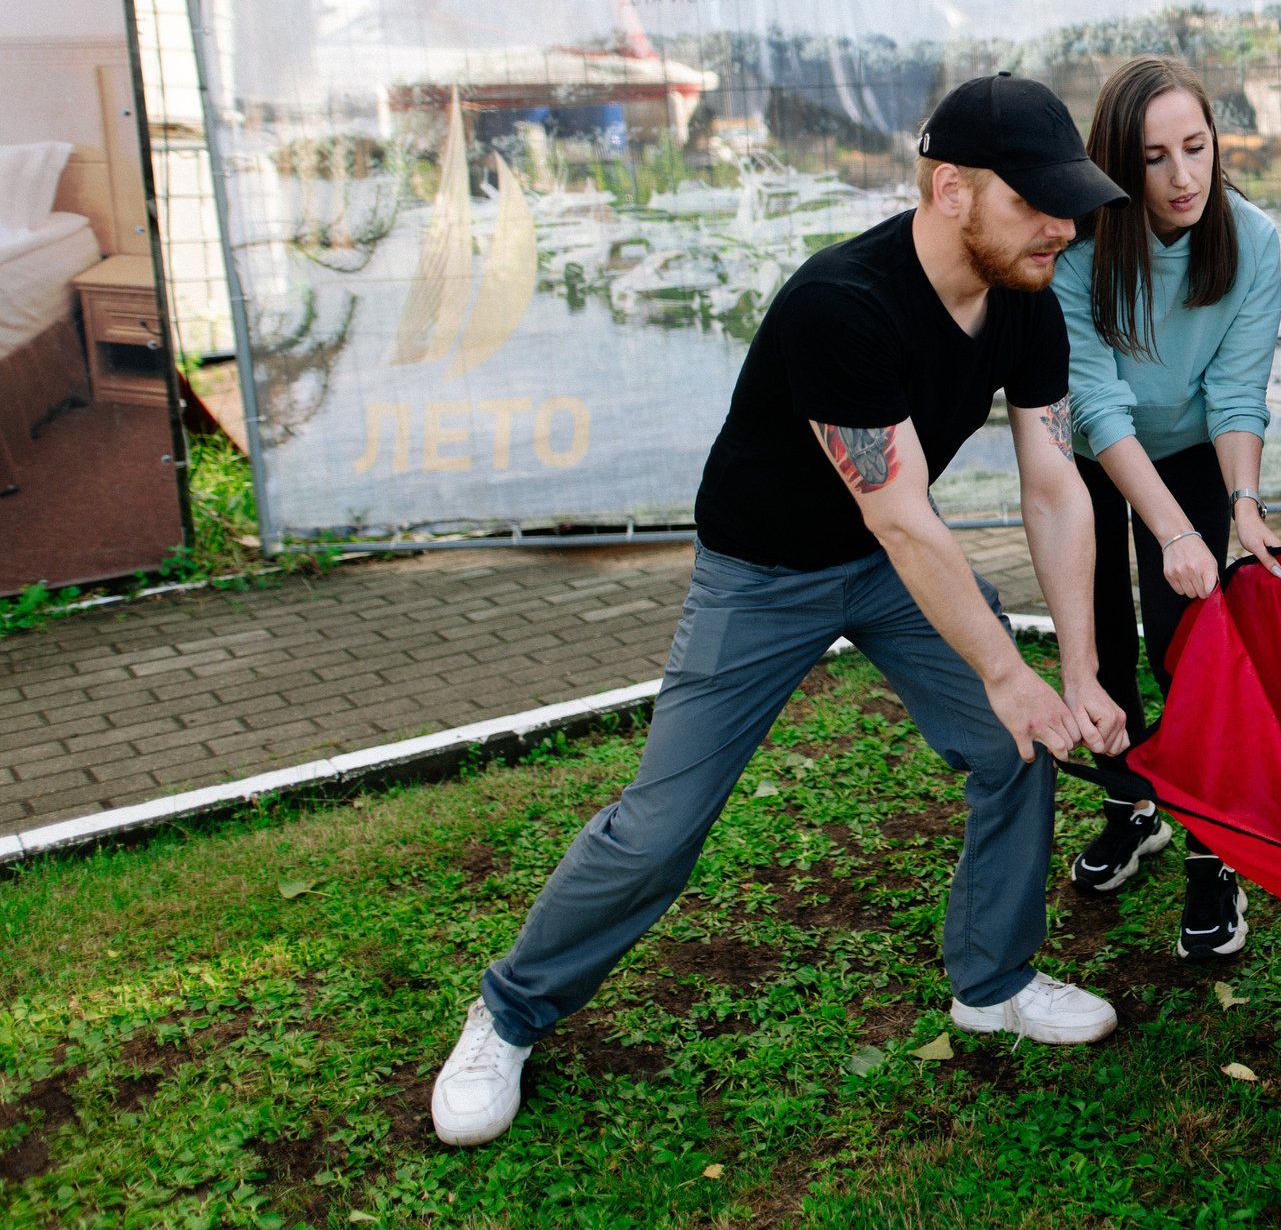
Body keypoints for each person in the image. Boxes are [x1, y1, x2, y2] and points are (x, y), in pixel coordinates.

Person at [428, 75, 1133, 1149]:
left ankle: (992, 980)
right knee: (662, 826)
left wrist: (1075, 670)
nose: (1064, 225)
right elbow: (902, 515)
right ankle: (510, 1011)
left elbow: (1052, 482)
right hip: (764, 569)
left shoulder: (1027, 295)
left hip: (893, 563)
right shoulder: (840, 303)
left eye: (1069, 200)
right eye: (1036, 199)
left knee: (1019, 743)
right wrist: (1008, 668)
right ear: (950, 189)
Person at [1051, 55, 1281, 960]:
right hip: (1091, 454)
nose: (1184, 176)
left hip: (1190, 450)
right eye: (1155, 158)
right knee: (1101, 640)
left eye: (1198, 147)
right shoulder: (1079, 245)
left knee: (1183, 644)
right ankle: (1131, 801)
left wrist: (1242, 501)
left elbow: (1235, 394)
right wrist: (1174, 529)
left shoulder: (1252, 239)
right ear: (1118, 163)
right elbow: (1097, 403)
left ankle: (1210, 848)